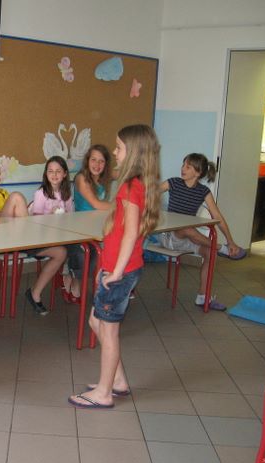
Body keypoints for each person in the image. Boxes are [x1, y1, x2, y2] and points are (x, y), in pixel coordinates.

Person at [69, 124, 161, 409]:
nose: (115, 152)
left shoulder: (131, 186)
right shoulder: (136, 184)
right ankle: (117, 381)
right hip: (115, 267)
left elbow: (131, 233)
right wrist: (107, 266)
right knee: (95, 322)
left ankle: (104, 392)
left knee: (108, 332)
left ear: (133, 152)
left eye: (119, 148)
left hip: (121, 271)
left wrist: (116, 272)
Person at [159, 153, 247, 311]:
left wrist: (231, 241)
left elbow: (218, 217)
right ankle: (221, 248)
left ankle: (202, 297)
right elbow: (151, 193)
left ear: (198, 173)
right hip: (169, 237)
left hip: (187, 239)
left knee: (209, 253)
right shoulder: (173, 183)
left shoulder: (203, 191)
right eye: (183, 165)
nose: (183, 169)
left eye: (188, 167)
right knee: (187, 228)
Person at [68, 145, 115, 302]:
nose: (97, 164)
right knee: (88, 254)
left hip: (98, 224)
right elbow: (96, 204)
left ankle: (115, 284)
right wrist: (122, 205)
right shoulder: (81, 178)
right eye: (93, 160)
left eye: (101, 161)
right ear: (87, 161)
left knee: (115, 246)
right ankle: (73, 278)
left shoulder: (104, 177)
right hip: (80, 228)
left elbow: (125, 172)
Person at [27, 157, 74, 312]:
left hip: (60, 237)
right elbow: (36, 221)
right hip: (40, 239)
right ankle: (36, 292)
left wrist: (64, 217)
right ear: (46, 174)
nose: (54, 175)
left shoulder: (66, 194)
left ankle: (69, 280)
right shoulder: (41, 193)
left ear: (65, 174)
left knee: (79, 249)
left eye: (58, 171)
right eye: (50, 171)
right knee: (63, 252)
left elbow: (71, 218)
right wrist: (50, 216)